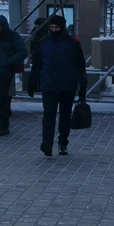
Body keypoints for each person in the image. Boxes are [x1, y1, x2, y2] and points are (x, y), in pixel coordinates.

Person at [28, 14, 87, 156]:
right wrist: (32, 82)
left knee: (65, 116)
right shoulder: (43, 42)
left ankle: (62, 142)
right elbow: (36, 64)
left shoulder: (72, 43)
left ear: (62, 27)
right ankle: (47, 142)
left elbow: (80, 65)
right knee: (49, 115)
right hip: (48, 85)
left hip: (68, 85)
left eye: (56, 27)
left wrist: (82, 86)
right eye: (52, 27)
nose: (54, 30)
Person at [0, 14, 27, 136]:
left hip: (4, 72)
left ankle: (4, 125)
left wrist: (8, 62)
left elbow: (23, 52)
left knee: (1, 99)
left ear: (3, 26)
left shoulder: (13, 36)